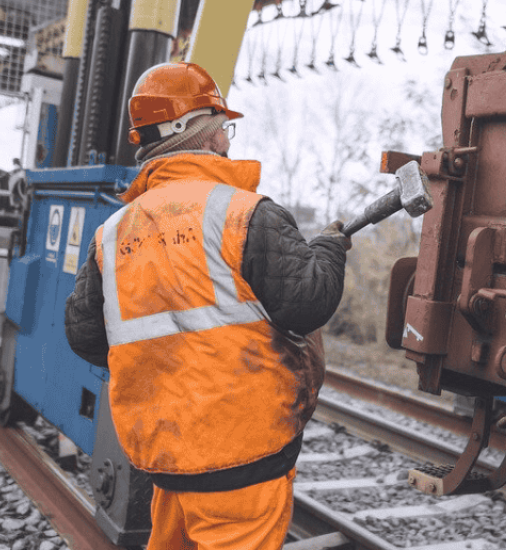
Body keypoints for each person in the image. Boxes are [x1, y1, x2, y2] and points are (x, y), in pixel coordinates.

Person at [63, 62, 349, 550]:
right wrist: (329, 248)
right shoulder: (245, 213)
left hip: (166, 454)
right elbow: (307, 303)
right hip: (243, 455)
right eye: (222, 126)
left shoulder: (112, 233)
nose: (226, 139)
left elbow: (86, 335)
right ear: (199, 131)